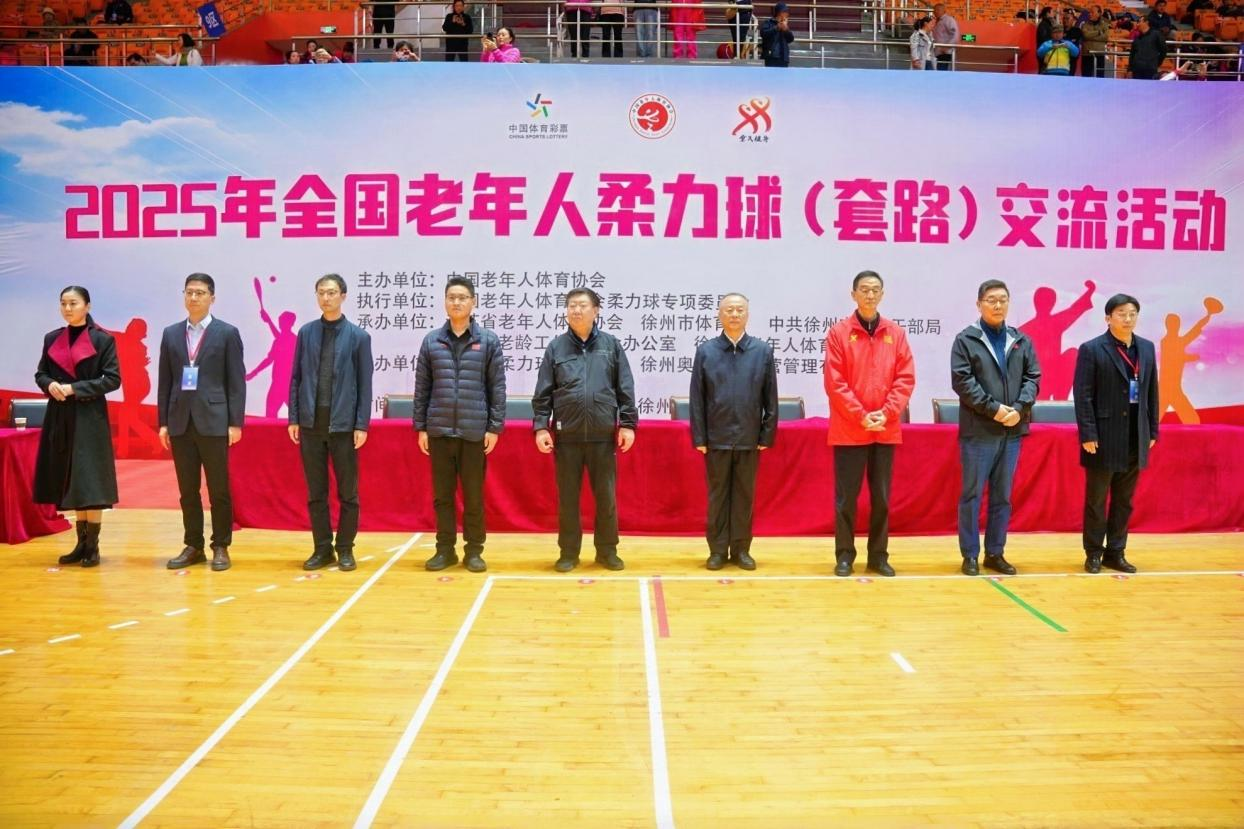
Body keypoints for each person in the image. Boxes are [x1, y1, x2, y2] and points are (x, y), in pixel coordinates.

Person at [533, 288, 638, 572]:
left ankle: (607, 551)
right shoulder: (556, 348)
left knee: (606, 498)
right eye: (571, 306)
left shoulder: (611, 345)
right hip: (566, 436)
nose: (576, 310)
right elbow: (543, 393)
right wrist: (541, 427)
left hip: (603, 436)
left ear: (596, 310)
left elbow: (625, 389)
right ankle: (568, 553)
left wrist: (628, 424)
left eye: (582, 305)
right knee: (568, 499)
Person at [824, 271, 916, 578]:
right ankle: (844, 556)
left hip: (885, 430)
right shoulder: (839, 333)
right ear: (853, 294)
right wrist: (861, 414)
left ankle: (878, 556)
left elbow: (905, 378)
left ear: (883, 294)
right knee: (846, 500)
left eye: (875, 290)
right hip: (850, 430)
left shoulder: (895, 333)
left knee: (882, 499)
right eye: (864, 290)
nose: (870, 295)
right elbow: (835, 382)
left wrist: (886, 413)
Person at [413, 277, 507, 573]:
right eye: (451, 297)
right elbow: (422, 387)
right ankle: (445, 550)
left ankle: (474, 551)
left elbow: (497, 387)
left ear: (473, 302)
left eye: (462, 297)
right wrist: (421, 427)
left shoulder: (488, 340)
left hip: (473, 432)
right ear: (445, 302)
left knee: (474, 496)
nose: (456, 302)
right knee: (442, 497)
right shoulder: (432, 341)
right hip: (439, 430)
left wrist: (494, 427)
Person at [950, 280, 1041, 576]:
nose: (998, 305)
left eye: (1003, 299)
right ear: (979, 304)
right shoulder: (966, 340)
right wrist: (995, 409)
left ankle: (995, 553)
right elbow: (963, 382)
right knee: (972, 495)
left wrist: (1019, 408)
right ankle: (970, 555)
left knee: (1002, 497)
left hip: (1012, 430)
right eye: (991, 300)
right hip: (979, 431)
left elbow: (1033, 377)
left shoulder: (1021, 340)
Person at [158, 274, 246, 572]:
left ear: (212, 298)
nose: (194, 298)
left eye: (200, 293)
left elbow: (236, 381)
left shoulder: (227, 333)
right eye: (189, 292)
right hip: (180, 421)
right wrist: (163, 422)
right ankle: (193, 544)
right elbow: (165, 381)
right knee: (188, 490)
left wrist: (235, 422)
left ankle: (220, 545)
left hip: (215, 421)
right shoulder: (171, 334)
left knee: (219, 488)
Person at [288, 275, 373, 572]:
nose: (326, 298)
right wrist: (294, 417)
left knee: (348, 493)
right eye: (321, 293)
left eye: (332, 292)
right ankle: (322, 548)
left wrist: (361, 424)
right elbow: (296, 378)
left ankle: (345, 548)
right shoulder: (306, 332)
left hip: (344, 426)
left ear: (343, 296)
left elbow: (365, 385)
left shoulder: (358, 337)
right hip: (311, 424)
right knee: (316, 493)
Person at [33, 286, 120, 568]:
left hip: (89, 415)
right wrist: (50, 384)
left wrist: (74, 388)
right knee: (70, 479)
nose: (68, 309)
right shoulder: (52, 338)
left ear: (87, 306)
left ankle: (93, 546)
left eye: (73, 303)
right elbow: (41, 373)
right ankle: (80, 544)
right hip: (60, 415)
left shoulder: (103, 339)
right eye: (63, 303)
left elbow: (112, 380)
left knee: (90, 481)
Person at [689, 293, 777, 571]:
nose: (734, 314)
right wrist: (700, 437)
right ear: (720, 315)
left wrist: (766, 435)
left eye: (739, 310)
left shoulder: (762, 352)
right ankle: (717, 550)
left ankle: (741, 550)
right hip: (716, 439)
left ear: (747, 315)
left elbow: (770, 397)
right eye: (729, 310)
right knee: (718, 497)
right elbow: (697, 398)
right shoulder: (706, 351)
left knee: (744, 497)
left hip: (749, 439)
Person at [1073, 294, 1158, 575]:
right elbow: (1083, 396)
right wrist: (1088, 433)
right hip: (1102, 437)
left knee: (1124, 500)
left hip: (1135, 435)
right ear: (1108, 318)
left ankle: (1116, 552)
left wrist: (1152, 429)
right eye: (1121, 313)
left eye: (1132, 313)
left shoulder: (1146, 348)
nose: (1128, 319)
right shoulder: (1092, 349)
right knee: (1097, 500)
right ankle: (1094, 553)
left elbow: (1152, 392)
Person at [760, 2, 794, 66]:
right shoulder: (768, 22)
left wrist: (786, 30)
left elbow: (790, 39)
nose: (786, 14)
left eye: (787, 12)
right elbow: (763, 34)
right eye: (784, 12)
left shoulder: (785, 25)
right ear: (778, 13)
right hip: (770, 57)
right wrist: (777, 28)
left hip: (783, 58)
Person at [1080, 5, 1110, 77]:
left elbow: (1105, 37)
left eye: (1092, 12)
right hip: (1087, 55)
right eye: (1089, 12)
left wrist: (1091, 36)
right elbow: (1085, 35)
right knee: (1086, 78)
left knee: (1100, 78)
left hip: (1100, 55)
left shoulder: (1104, 25)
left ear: (1099, 14)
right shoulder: (1084, 25)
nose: (1090, 14)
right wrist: (1099, 32)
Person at [932, 3, 958, 69]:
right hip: (938, 52)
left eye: (938, 10)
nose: (936, 12)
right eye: (934, 10)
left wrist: (947, 46)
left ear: (944, 11)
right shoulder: (938, 21)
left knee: (942, 71)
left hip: (945, 52)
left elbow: (955, 35)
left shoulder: (948, 20)